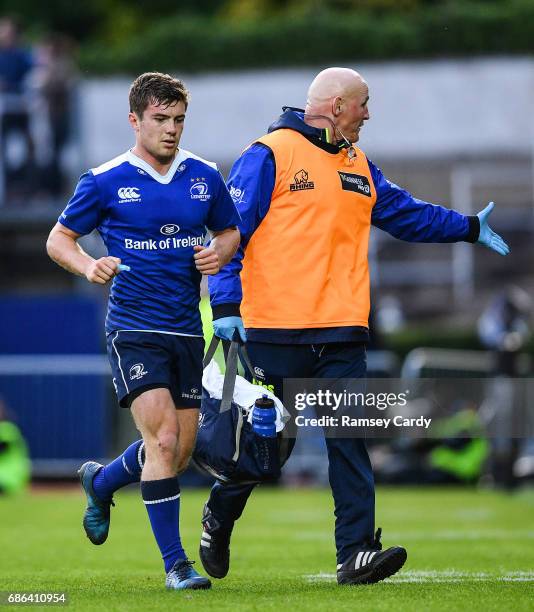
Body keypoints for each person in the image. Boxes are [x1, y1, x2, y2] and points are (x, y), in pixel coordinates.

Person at [202, 67, 510, 586]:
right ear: (338, 104)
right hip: (273, 332)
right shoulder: (269, 154)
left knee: (350, 440)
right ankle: (219, 514)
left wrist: (470, 226)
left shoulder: (358, 163)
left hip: (343, 334)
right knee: (262, 453)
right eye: (363, 104)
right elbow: (231, 233)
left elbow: (407, 214)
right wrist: (227, 304)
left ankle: (356, 553)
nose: (368, 114)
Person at [46, 72, 241, 591]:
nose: (171, 129)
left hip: (185, 330)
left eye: (178, 119)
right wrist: (89, 267)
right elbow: (58, 240)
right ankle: (177, 566)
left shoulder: (204, 175)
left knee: (175, 452)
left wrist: (219, 252)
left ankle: (102, 480)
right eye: (160, 119)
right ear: (135, 120)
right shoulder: (104, 178)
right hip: (133, 327)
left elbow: (229, 231)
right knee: (165, 439)